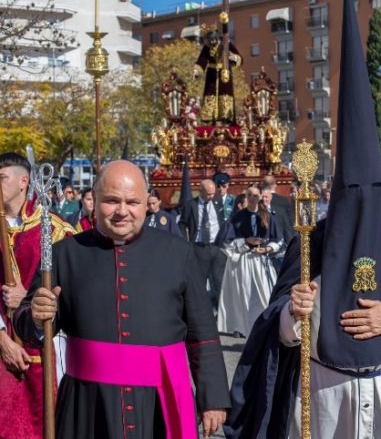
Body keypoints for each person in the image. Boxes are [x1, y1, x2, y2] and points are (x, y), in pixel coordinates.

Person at [224, 0, 381, 436]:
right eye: (351, 192)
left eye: (375, 191)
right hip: (322, 399)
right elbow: (272, 327)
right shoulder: (310, 243)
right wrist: (295, 312)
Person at [15, 160, 230, 438]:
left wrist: (211, 398)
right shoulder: (64, 253)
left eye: (132, 202)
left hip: (160, 401)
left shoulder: (179, 252)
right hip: (88, 403)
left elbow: (203, 334)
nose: (122, 211)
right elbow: (25, 325)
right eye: (112, 201)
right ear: (94, 199)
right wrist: (35, 315)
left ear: (146, 202)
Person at [0, 152, 75, 439]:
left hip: (44, 347)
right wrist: (2, 338)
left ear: (23, 181)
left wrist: (29, 301)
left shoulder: (53, 229)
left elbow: (68, 290)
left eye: (2, 178)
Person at [217, 185, 281, 337]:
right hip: (244, 261)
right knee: (244, 295)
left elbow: (278, 239)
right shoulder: (237, 218)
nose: (252, 198)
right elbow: (226, 242)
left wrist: (266, 249)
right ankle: (244, 328)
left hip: (261, 260)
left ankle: (266, 325)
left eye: (255, 195)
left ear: (260, 197)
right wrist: (247, 242)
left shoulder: (268, 215)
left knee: (265, 295)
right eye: (249, 195)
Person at [178, 179, 228, 311]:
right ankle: (200, 312)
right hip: (199, 248)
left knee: (219, 282)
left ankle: (221, 315)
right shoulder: (191, 205)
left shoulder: (217, 202)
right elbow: (182, 224)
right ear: (200, 192)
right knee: (199, 283)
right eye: (208, 194)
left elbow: (222, 221)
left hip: (216, 248)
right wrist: (186, 243)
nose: (211, 197)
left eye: (213, 193)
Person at [193, 28, 243, 125]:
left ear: (217, 38)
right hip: (211, 74)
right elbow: (202, 60)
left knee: (224, 94)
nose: (212, 42)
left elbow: (240, 58)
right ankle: (211, 118)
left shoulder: (226, 44)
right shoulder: (207, 47)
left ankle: (226, 118)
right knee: (210, 93)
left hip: (224, 73)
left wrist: (234, 57)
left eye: (214, 40)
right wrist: (197, 71)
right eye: (210, 40)